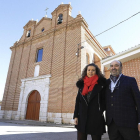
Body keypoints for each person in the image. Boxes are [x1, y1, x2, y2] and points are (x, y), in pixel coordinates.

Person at [105, 60, 140, 140]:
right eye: (111, 66)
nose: (113, 68)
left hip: (129, 123)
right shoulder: (105, 83)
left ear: (121, 67)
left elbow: (138, 102)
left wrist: (139, 121)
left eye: (116, 65)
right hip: (112, 124)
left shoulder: (130, 80)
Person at [73, 63, 106, 140]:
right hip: (82, 117)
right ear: (86, 71)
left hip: (96, 118)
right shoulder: (82, 84)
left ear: (96, 72)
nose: (90, 72)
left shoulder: (101, 84)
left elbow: (104, 100)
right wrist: (76, 116)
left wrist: (100, 110)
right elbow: (78, 101)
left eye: (93, 70)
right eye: (89, 70)